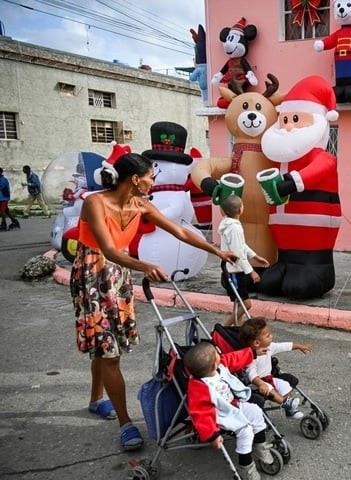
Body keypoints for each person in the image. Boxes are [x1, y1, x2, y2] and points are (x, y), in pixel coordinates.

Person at [69, 152, 238, 452]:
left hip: (119, 275)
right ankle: (125, 423)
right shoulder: (94, 203)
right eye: (151, 176)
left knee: (107, 345)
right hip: (92, 275)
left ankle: (97, 399)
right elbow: (107, 249)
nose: (153, 181)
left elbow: (181, 231)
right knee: (110, 351)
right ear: (135, 179)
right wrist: (144, 265)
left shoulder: (141, 204)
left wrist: (218, 252)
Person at [183, 342, 275, 480]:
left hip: (234, 405)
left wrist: (253, 353)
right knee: (246, 431)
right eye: (217, 354)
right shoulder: (199, 387)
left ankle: (259, 445)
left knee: (256, 411)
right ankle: (245, 465)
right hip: (220, 415)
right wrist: (212, 435)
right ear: (214, 364)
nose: (221, 355)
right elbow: (201, 413)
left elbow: (233, 358)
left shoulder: (219, 367)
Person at [237, 317, 312, 419]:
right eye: (268, 336)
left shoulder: (269, 347)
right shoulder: (250, 357)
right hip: (256, 384)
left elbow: (283, 346)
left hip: (269, 378)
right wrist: (261, 384)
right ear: (257, 343)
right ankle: (285, 403)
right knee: (269, 388)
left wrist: (298, 346)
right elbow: (252, 374)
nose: (271, 337)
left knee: (285, 385)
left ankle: (289, 409)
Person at [218, 195, 269, 327]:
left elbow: (241, 246)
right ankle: (223, 329)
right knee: (246, 304)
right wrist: (251, 272)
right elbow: (238, 253)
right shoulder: (234, 228)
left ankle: (237, 330)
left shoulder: (230, 225)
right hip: (234, 271)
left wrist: (255, 256)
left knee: (238, 303)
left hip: (234, 270)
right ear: (241, 209)